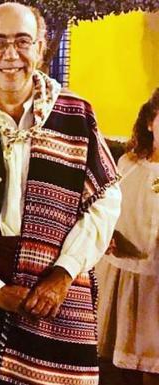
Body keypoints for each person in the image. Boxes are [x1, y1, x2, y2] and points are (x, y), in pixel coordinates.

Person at [0, 4, 121, 385]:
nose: (10, 55)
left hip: (58, 293)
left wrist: (64, 272)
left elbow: (104, 201)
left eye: (22, 41)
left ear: (41, 48)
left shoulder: (76, 115)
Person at [96, 88, 159, 385]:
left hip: (155, 281)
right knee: (117, 364)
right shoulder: (127, 164)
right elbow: (106, 208)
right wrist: (107, 233)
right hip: (123, 273)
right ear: (150, 121)